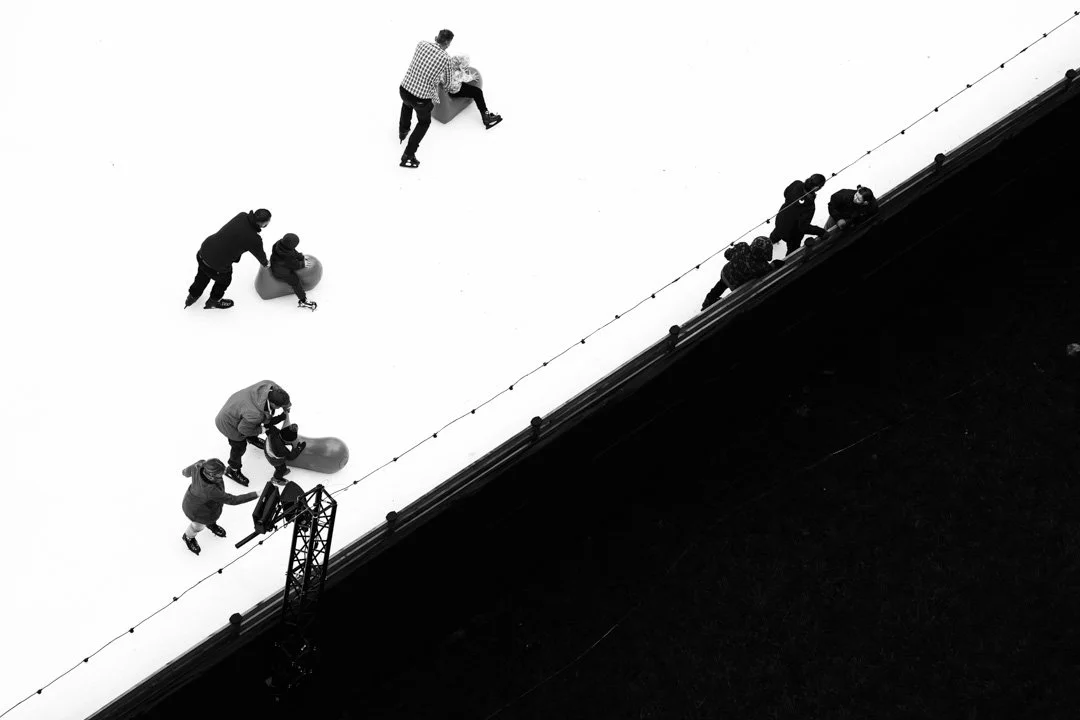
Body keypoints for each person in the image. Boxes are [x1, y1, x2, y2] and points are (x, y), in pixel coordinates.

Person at [185, 209, 272, 310]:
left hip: (204, 251)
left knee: (203, 274)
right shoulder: (254, 239)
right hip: (218, 263)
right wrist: (266, 264)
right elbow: (260, 255)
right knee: (224, 280)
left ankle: (192, 296)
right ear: (264, 223)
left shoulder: (242, 216)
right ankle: (213, 302)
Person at [214, 380, 292, 487]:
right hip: (229, 424)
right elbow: (243, 429)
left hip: (238, 411)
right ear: (273, 404)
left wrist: (286, 404)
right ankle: (232, 470)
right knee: (239, 446)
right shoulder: (256, 414)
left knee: (254, 424)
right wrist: (261, 430)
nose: (279, 408)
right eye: (279, 406)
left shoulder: (268, 385)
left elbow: (280, 392)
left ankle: (252, 438)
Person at [181, 458, 258, 555]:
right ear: (211, 475)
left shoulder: (200, 465)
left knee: (211, 516)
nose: (223, 474)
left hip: (199, 501)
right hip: (198, 511)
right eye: (220, 474)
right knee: (198, 526)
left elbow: (185, 472)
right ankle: (188, 537)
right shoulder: (210, 490)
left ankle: (210, 523)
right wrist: (256, 494)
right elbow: (233, 500)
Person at [701, 236, 785, 310]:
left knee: (718, 287)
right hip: (735, 284)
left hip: (726, 273)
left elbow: (728, 254)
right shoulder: (759, 266)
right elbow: (768, 268)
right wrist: (774, 264)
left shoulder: (742, 246)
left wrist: (731, 253)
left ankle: (707, 302)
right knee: (737, 288)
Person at [770, 173, 828, 255]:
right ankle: (789, 260)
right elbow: (803, 227)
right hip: (792, 235)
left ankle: (771, 240)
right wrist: (821, 232)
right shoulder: (810, 206)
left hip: (781, 221)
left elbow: (786, 193)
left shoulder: (796, 184)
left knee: (777, 232)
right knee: (793, 251)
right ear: (817, 188)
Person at [446, 54, 502, 130]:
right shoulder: (457, 73)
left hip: (449, 86)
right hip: (455, 90)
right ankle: (486, 118)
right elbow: (466, 78)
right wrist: (472, 77)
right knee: (478, 92)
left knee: (473, 90)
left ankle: (486, 116)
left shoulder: (448, 64)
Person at [269, 233, 317, 310]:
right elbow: (294, 265)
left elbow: (292, 252)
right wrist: (303, 264)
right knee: (295, 281)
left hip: (276, 263)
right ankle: (303, 300)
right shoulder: (288, 256)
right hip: (280, 272)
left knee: (289, 260)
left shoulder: (278, 244)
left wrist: (301, 256)